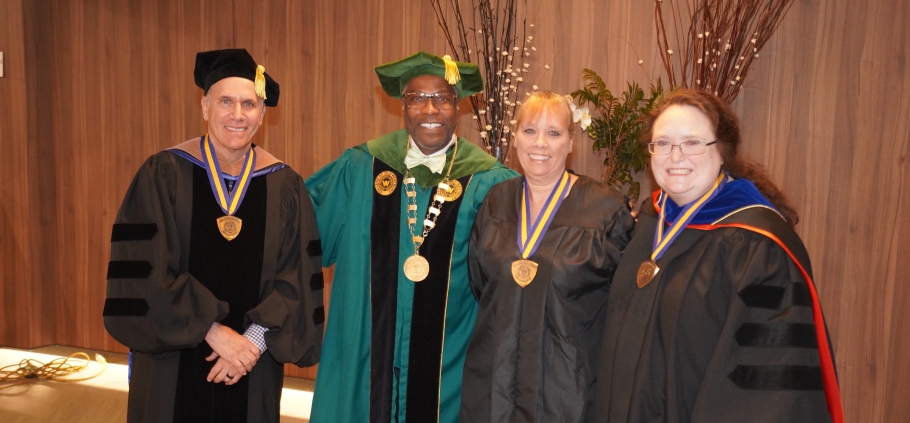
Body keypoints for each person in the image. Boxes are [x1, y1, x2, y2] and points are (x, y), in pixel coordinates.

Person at [591, 89, 843, 422]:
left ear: (722, 152)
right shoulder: (649, 223)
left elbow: (767, 384)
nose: (675, 156)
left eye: (692, 143)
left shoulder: (757, 246)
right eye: (662, 143)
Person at [103, 49, 324, 423]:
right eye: (226, 102)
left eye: (249, 104)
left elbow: (297, 276)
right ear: (205, 107)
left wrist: (251, 342)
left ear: (262, 114)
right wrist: (212, 330)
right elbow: (145, 274)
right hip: (170, 359)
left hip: (252, 362)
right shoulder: (163, 174)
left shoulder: (285, 185)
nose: (238, 115)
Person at [306, 51, 518, 423]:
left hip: (451, 355)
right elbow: (296, 225)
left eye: (442, 98)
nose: (430, 109)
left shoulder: (490, 180)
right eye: (417, 98)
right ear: (402, 108)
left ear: (458, 107)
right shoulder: (361, 167)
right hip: (368, 352)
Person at [459, 91, 635, 422]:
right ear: (516, 138)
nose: (539, 143)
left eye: (553, 133)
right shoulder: (495, 202)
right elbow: (482, 285)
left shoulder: (605, 209)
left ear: (570, 143)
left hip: (570, 392)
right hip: (495, 388)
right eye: (529, 131)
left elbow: (623, 307)